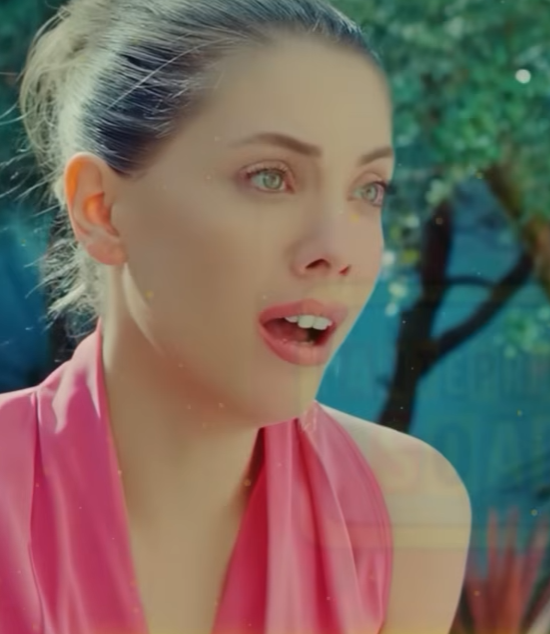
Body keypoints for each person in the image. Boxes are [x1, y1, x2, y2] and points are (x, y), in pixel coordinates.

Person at [0, 0, 471, 632]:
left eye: (368, 189)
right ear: (101, 209)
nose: (338, 250)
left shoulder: (401, 511)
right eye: (270, 177)